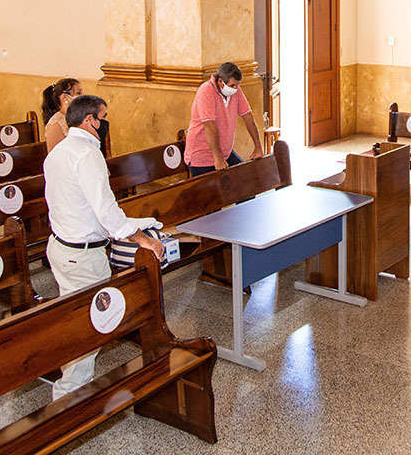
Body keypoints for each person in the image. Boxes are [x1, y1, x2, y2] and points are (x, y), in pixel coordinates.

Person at [45, 94, 165, 399]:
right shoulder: (87, 155)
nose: (106, 123)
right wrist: (143, 238)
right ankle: (68, 400)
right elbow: (105, 212)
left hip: (62, 247)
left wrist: (137, 221)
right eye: (104, 117)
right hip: (83, 255)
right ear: (90, 120)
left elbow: (78, 205)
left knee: (77, 319)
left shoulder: (59, 152)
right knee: (89, 329)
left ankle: (71, 389)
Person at [183, 62, 264, 177]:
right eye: (232, 85)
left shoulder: (235, 90)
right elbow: (210, 125)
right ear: (221, 81)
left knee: (246, 179)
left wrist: (258, 147)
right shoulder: (206, 91)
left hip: (225, 153)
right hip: (202, 157)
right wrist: (218, 158)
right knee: (218, 188)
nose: (235, 89)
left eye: (237, 85)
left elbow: (248, 115)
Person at [43, 78, 83, 152]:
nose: (83, 96)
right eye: (78, 93)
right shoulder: (55, 124)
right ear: (65, 97)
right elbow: (54, 155)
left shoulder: (81, 116)